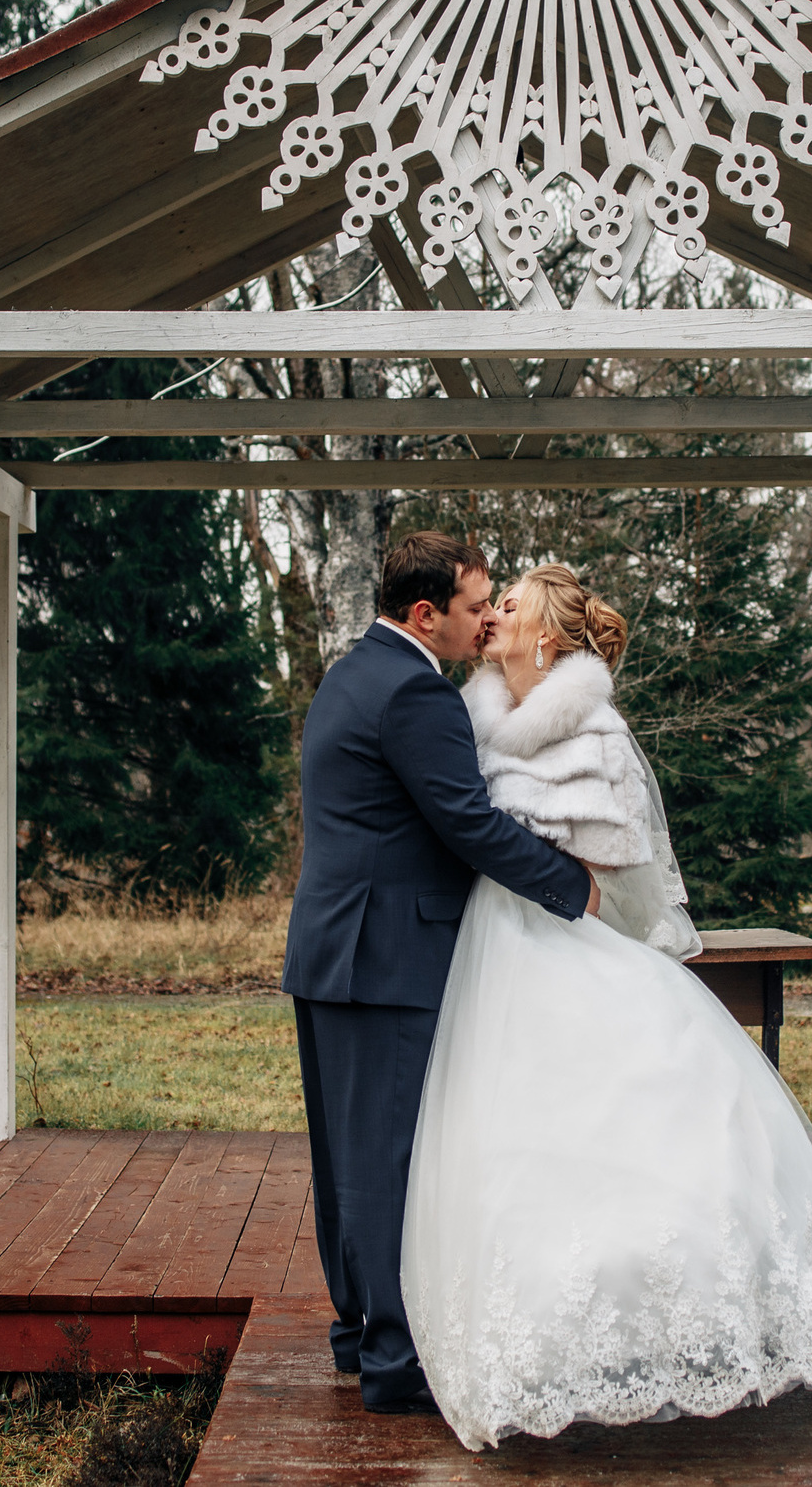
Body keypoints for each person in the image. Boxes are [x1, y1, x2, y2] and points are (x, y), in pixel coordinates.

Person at [402, 563, 812, 1452]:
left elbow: (627, 878)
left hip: (570, 952)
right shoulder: (469, 720)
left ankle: (673, 1336)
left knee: (638, 1136)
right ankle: (536, 1355)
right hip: (493, 958)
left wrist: (565, 885)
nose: (493, 616)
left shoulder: (594, 732)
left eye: (507, 605)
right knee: (508, 1153)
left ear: (544, 639)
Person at [283, 532, 600, 1415]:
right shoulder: (416, 691)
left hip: (334, 952)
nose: (487, 618)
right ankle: (391, 1363)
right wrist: (568, 885)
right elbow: (465, 822)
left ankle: (356, 1334)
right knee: (385, 1162)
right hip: (385, 959)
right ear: (426, 613)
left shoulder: (355, 672)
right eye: (473, 606)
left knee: (346, 1161)